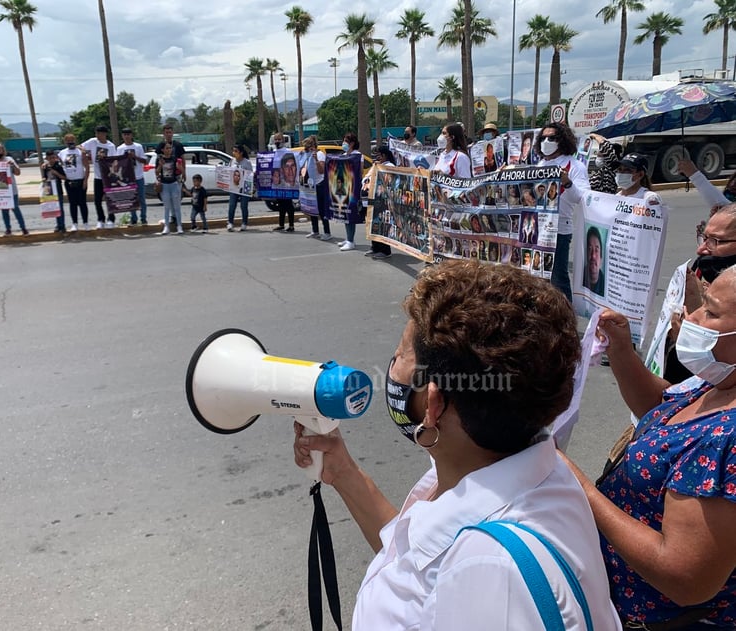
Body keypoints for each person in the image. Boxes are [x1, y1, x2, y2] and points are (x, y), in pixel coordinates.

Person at [292, 260, 621, 630]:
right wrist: (345, 474)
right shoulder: (502, 466)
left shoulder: (492, 573)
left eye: (401, 355)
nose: (391, 364)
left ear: (433, 405)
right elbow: (417, 564)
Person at [561, 267, 736, 629]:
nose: (693, 317)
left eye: (711, 312)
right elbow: (661, 410)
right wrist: (623, 352)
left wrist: (580, 489)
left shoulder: (728, 439)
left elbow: (686, 578)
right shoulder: (721, 379)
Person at [536, 122, 590, 301]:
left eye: (551, 138)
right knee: (538, 276)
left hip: (559, 230)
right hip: (537, 227)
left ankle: (567, 318)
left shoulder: (574, 166)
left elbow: (582, 199)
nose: (546, 141)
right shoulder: (540, 164)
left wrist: (567, 182)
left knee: (558, 277)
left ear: (562, 140)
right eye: (543, 138)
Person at [0, 142, 28, 236]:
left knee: (16, 209)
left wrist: (13, 165)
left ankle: (23, 228)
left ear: (3, 150)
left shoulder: (9, 160)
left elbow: (18, 172)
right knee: (4, 211)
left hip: (11, 190)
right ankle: (8, 229)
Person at [81, 125, 117, 229]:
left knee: (110, 199)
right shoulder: (93, 142)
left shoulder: (110, 146)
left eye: (99, 133)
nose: (97, 135)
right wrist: (83, 151)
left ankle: (111, 219)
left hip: (108, 177)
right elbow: (80, 146)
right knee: (97, 200)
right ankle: (101, 219)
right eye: (96, 133)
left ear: (104, 134)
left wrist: (105, 159)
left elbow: (114, 161)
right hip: (98, 177)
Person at [364, 145, 395, 260]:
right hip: (373, 197)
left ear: (384, 155)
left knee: (383, 224)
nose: (377, 157)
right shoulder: (376, 165)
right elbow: (367, 177)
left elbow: (389, 181)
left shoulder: (390, 166)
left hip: (383, 200)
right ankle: (375, 247)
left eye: (379, 155)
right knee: (373, 222)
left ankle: (385, 250)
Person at [300, 135, 332, 241]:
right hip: (310, 186)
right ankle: (315, 231)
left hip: (319, 184)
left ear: (313, 145)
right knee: (311, 208)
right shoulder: (307, 156)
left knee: (322, 210)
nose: (307, 149)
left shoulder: (320, 154)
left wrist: (316, 159)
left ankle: (327, 232)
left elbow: (322, 170)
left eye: (309, 146)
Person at [336, 132, 363, 251]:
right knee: (345, 214)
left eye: (346, 141)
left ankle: (351, 241)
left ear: (352, 143)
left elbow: (360, 171)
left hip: (353, 189)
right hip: (343, 188)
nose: (344, 143)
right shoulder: (343, 155)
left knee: (350, 214)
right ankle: (348, 238)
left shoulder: (358, 155)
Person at [156, 124, 186, 227]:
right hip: (165, 177)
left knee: (176, 199)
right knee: (167, 200)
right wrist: (158, 177)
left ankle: (177, 220)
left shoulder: (178, 145)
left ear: (172, 133)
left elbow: (182, 159)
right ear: (163, 134)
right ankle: (171, 218)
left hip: (176, 176)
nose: (168, 134)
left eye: (170, 132)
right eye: (166, 132)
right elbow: (158, 161)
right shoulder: (160, 145)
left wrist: (184, 172)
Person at [58, 133, 89, 231]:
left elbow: (87, 167)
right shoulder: (62, 153)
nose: (70, 142)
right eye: (68, 141)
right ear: (65, 142)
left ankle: (85, 222)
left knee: (82, 203)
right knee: (73, 203)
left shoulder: (80, 152)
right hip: (69, 181)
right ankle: (74, 223)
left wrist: (85, 180)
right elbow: (58, 164)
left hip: (80, 179)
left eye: (72, 140)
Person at [117, 128, 148, 226]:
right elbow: (118, 163)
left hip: (138, 176)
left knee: (142, 199)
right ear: (122, 136)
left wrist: (134, 157)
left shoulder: (138, 146)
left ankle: (143, 218)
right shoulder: (120, 148)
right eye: (124, 134)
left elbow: (144, 161)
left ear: (131, 135)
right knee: (131, 199)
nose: (126, 136)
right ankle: (133, 218)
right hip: (128, 177)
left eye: (128, 134)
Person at [271, 133, 295, 232]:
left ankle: (291, 225)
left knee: (288, 204)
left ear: (283, 140)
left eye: (279, 139)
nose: (277, 141)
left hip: (287, 183)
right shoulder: (273, 152)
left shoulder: (288, 152)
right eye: (276, 139)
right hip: (277, 182)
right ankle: (281, 224)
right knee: (280, 204)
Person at [156, 143, 182, 235]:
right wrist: (160, 165)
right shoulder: (160, 159)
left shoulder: (174, 158)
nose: (169, 149)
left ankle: (179, 226)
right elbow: (157, 172)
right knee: (167, 207)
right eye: (167, 148)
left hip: (174, 184)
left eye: (170, 148)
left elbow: (180, 170)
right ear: (163, 150)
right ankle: (166, 226)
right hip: (164, 184)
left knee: (177, 206)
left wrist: (179, 167)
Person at [227, 144, 252, 232]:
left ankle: (244, 223)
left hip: (244, 188)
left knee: (244, 206)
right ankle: (230, 223)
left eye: (236, 151)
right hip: (234, 187)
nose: (234, 153)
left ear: (241, 153)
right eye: (233, 151)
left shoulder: (247, 162)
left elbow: (250, 175)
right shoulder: (232, 161)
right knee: (232, 205)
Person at [40, 149, 67, 233]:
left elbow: (64, 177)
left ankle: (62, 225)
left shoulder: (58, 166)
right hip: (49, 189)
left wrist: (56, 173)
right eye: (50, 158)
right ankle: (58, 225)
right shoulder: (45, 167)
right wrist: (44, 179)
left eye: (53, 157)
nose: (52, 159)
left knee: (60, 208)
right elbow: (44, 176)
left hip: (58, 189)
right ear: (47, 158)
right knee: (54, 208)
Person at [584, 226, 605, 296]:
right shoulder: (580, 275)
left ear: (601, 257)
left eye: (596, 250)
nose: (593, 256)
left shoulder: (605, 285)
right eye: (590, 249)